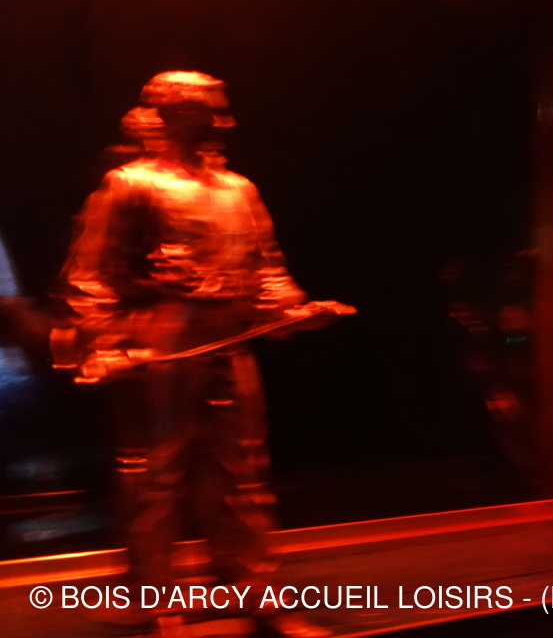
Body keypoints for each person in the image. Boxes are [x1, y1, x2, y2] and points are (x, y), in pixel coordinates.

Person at [54, 71, 347, 638]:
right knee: (157, 476)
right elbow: (89, 276)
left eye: (221, 108)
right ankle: (153, 602)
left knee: (245, 474)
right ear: (174, 115)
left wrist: (297, 310)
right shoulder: (130, 184)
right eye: (209, 109)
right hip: (161, 340)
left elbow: (268, 272)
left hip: (229, 343)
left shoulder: (239, 190)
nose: (222, 119)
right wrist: (110, 343)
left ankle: (255, 592)